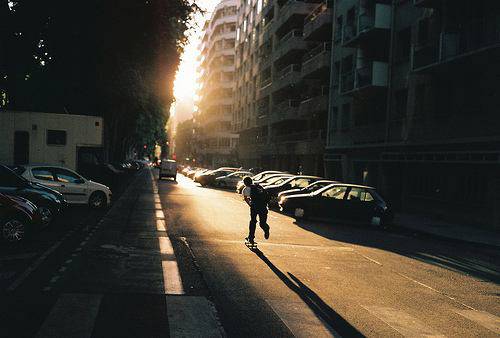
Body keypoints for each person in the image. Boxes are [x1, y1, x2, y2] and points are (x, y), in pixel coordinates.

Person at [242, 176, 270, 244]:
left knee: (253, 222)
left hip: (254, 207)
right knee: (262, 223)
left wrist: (250, 204)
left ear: (245, 183)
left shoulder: (246, 189)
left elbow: (246, 198)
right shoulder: (259, 186)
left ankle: (251, 238)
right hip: (263, 207)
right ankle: (266, 229)